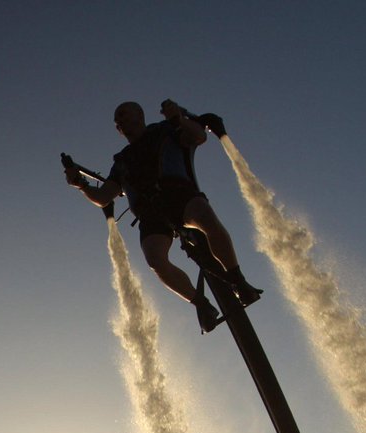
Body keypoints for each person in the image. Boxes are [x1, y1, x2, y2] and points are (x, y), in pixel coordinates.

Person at [65, 99, 263, 332]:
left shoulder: (165, 130)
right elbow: (104, 197)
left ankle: (237, 279)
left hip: (179, 196)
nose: (120, 121)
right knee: (155, 260)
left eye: (124, 114)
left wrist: (178, 118)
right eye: (117, 121)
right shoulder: (122, 161)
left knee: (206, 219)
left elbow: (199, 136)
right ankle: (201, 303)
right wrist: (80, 184)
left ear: (140, 114)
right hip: (152, 215)